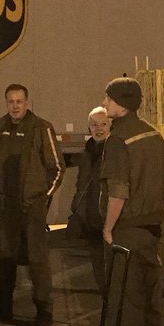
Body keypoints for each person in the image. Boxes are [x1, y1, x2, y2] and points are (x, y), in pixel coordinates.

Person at [100, 76, 164, 326]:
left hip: (127, 230)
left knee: (126, 302)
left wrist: (107, 227)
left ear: (122, 103)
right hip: (153, 230)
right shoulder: (154, 136)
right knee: (153, 302)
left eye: (109, 99)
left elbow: (119, 190)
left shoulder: (118, 140)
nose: (104, 104)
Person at [0, 84, 63, 326]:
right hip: (6, 206)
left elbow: (57, 167)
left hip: (31, 206)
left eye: (19, 102)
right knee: (5, 258)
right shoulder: (0, 126)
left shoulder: (40, 128)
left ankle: (44, 310)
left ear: (27, 103)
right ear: (6, 103)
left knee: (37, 260)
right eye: (11, 102)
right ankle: (3, 306)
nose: (15, 106)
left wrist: (42, 198)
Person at [69, 106, 111, 292]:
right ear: (89, 129)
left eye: (103, 124)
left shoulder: (114, 151)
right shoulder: (88, 152)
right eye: (94, 125)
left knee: (112, 267)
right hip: (93, 220)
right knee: (98, 266)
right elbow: (82, 184)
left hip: (111, 219)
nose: (99, 128)